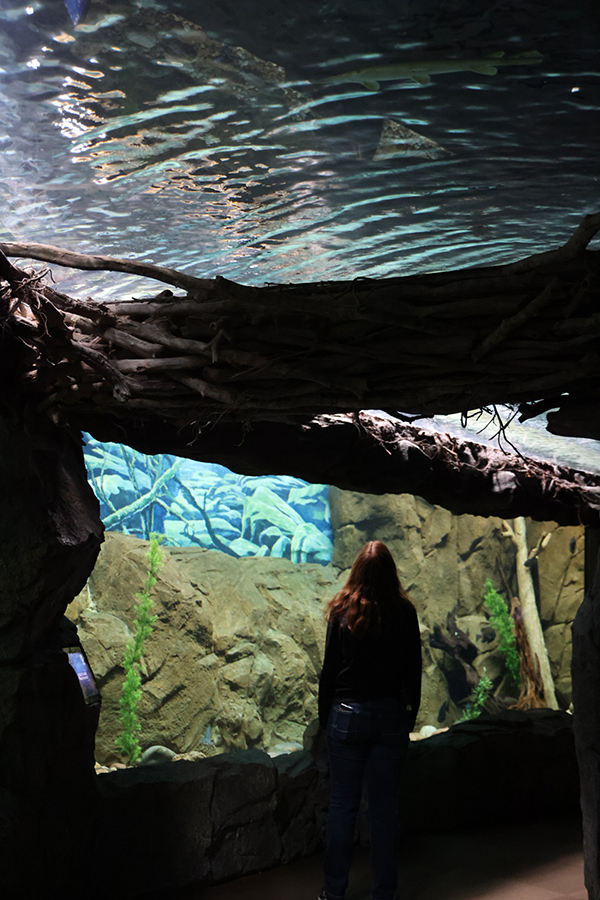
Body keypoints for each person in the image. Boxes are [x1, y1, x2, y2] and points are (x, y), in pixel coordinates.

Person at [318, 540, 422, 900]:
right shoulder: (404, 613)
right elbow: (414, 672)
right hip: (389, 717)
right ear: (391, 573)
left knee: (342, 806)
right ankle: (384, 892)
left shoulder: (341, 610)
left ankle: (333, 893)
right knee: (382, 810)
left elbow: (329, 671)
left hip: (345, 718)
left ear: (357, 571)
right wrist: (408, 719)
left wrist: (322, 721)